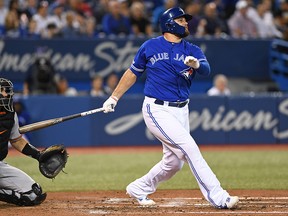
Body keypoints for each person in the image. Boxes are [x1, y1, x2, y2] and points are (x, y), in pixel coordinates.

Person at [102, 7, 239, 209]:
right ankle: (218, 196)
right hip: (157, 109)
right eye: (182, 20)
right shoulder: (150, 46)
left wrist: (197, 65)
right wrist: (114, 97)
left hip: (181, 109)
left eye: (185, 20)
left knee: (174, 164)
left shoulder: (192, 49)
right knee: (190, 148)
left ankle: (139, 188)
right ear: (169, 23)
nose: (186, 23)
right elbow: (133, 73)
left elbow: (207, 69)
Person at [0, 78, 47, 206]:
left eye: (8, 91)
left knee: (33, 193)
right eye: (2, 91)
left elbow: (17, 140)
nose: (6, 94)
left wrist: (38, 155)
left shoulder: (10, 113)